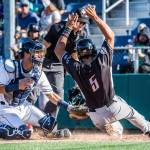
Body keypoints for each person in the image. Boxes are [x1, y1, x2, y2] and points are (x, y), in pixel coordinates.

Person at [54, 5, 150, 137]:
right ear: (93, 50)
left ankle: (115, 133)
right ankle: (147, 128)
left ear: (79, 54)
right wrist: (95, 17)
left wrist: (68, 27)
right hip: (112, 106)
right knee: (132, 112)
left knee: (118, 130)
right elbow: (110, 36)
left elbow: (58, 50)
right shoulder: (101, 60)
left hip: (95, 116)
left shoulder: (75, 67)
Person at [0, 40, 71, 139]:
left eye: (41, 52)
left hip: (23, 106)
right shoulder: (9, 67)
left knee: (50, 124)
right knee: (24, 133)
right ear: (26, 53)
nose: (40, 55)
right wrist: (16, 85)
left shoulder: (37, 73)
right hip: (4, 108)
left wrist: (68, 107)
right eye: (37, 52)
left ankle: (49, 134)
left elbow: (51, 95)